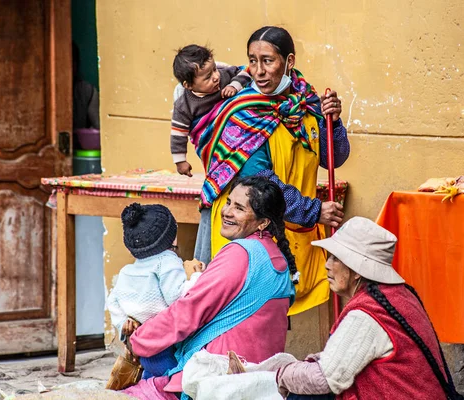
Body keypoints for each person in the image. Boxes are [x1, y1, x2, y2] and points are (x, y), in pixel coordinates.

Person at [192, 26, 350, 315]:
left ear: (289, 62)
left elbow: (333, 158)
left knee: (277, 306)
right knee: (246, 315)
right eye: (252, 61)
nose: (258, 71)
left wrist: (334, 123)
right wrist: (315, 211)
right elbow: (261, 185)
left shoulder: (307, 102)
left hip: (291, 223)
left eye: (268, 60)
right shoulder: (244, 113)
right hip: (246, 230)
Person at [120, 176, 296, 399]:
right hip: (258, 377)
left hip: (218, 378)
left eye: (239, 208)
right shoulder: (275, 256)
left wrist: (138, 341)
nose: (227, 211)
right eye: (229, 202)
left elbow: (188, 311)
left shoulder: (241, 253)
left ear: (263, 223)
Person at [275, 217, 463, 400]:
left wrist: (281, 374)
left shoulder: (365, 315)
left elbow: (325, 380)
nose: (327, 265)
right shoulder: (399, 294)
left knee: (304, 394)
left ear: (356, 270)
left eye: (335, 259)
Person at [106, 203, 203, 378]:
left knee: (151, 379)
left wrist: (123, 325)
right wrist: (196, 277)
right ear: (173, 238)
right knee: (174, 380)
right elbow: (177, 297)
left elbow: (112, 301)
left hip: (141, 342)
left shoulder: (127, 271)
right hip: (164, 344)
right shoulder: (167, 261)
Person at [170, 44, 251, 177]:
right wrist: (180, 161)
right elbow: (178, 134)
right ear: (188, 85)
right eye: (208, 77)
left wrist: (234, 85)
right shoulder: (184, 106)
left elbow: (244, 72)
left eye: (214, 69)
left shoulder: (224, 76)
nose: (215, 76)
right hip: (214, 146)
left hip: (239, 137)